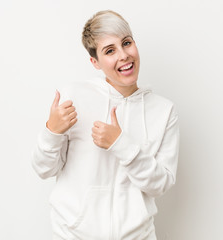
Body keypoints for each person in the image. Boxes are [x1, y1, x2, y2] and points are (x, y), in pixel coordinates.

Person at [32, 10, 179, 240]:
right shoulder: (74, 97)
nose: (124, 56)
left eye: (127, 43)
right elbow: (44, 169)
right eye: (110, 51)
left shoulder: (163, 110)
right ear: (95, 62)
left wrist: (121, 144)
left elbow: (160, 184)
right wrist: (51, 131)